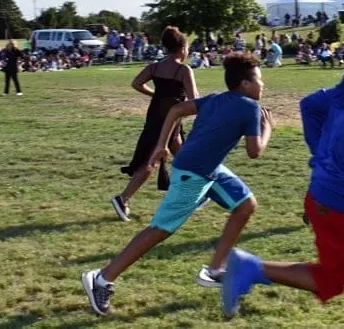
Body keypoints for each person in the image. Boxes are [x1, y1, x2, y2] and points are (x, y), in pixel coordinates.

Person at [221, 32, 344, 328]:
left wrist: (325, 155)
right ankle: (248, 267)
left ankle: (249, 267)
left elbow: (310, 105)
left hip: (321, 197)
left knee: (333, 279)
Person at [82, 52, 272, 317]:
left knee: (245, 205)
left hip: (207, 167)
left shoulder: (217, 98)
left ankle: (216, 269)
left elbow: (176, 109)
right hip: (194, 173)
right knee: (160, 229)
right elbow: (255, 151)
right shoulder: (251, 107)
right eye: (260, 80)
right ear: (245, 84)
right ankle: (101, 278)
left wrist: (161, 145)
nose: (263, 85)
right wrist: (268, 129)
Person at [112, 26, 198, 221]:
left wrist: (155, 94)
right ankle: (122, 199)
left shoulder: (155, 67)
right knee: (152, 162)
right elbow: (194, 99)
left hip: (156, 115)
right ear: (182, 48)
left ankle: (195, 194)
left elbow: (136, 83)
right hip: (171, 118)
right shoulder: (183, 70)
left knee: (184, 156)